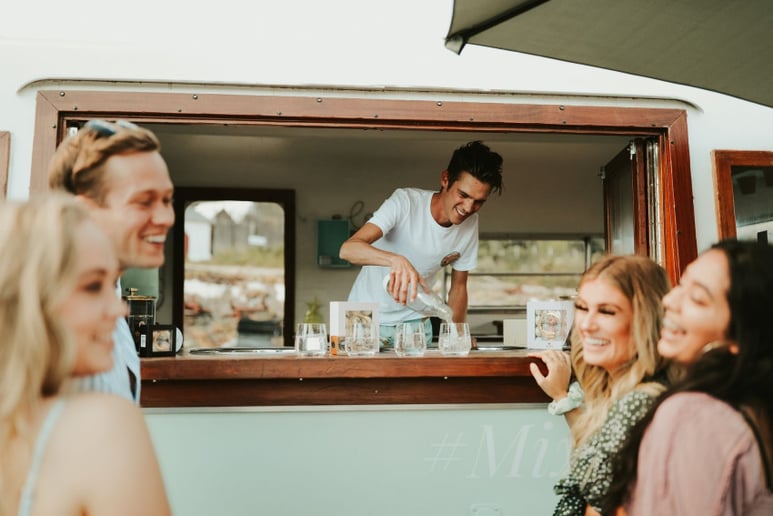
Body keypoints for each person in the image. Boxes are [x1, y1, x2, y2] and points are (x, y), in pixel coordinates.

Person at [0, 195, 171, 515]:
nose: (119, 308)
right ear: (25, 300)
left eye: (112, 285)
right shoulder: (103, 426)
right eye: (93, 286)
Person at [603, 240, 773, 515]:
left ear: (741, 335)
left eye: (697, 298)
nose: (669, 301)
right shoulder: (753, 406)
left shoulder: (695, 416)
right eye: (681, 284)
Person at [529, 255, 673, 516]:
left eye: (607, 311)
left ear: (646, 320)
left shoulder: (640, 402)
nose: (586, 324)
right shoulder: (616, 390)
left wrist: (563, 397)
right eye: (583, 308)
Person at [48, 119, 175, 403]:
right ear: (83, 212)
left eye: (167, 200)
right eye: (144, 201)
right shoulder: (44, 326)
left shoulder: (114, 318)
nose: (167, 218)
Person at [339, 140, 503, 345]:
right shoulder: (405, 202)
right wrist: (395, 260)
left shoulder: (470, 224)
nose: (469, 207)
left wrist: (458, 334)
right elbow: (348, 250)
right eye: (463, 195)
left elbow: (459, 287)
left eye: (479, 201)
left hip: (414, 323)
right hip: (362, 316)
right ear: (445, 179)